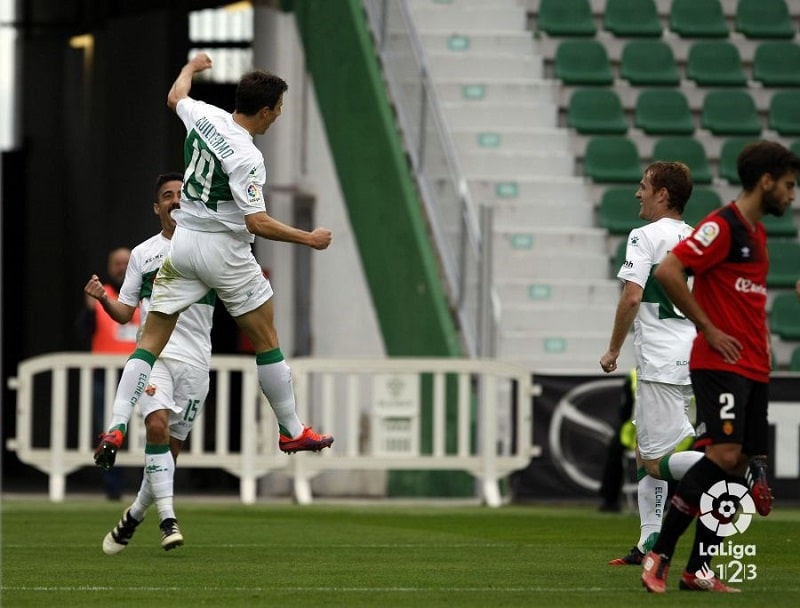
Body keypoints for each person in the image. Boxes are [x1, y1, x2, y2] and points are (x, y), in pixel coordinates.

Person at [93, 52, 333, 473]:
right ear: (264, 110)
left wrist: (189, 68)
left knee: (149, 342)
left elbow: (175, 96)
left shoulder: (203, 115)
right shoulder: (247, 156)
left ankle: (115, 425)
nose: (277, 116)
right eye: (277, 109)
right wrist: (307, 238)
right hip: (224, 250)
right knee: (266, 340)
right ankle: (291, 428)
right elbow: (256, 221)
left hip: (183, 245)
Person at [642, 140, 800, 593]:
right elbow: (670, 271)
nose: (791, 196)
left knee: (736, 466)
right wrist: (707, 327)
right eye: (788, 186)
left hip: (753, 366)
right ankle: (660, 553)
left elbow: (746, 303)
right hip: (720, 362)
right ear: (766, 181)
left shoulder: (758, 233)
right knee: (724, 456)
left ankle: (698, 571)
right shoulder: (722, 226)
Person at [86, 172, 214, 553]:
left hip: (195, 363)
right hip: (154, 357)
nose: (175, 200)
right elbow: (125, 313)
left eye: (181, 195)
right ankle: (168, 520)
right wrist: (103, 300)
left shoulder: (209, 248)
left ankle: (135, 514)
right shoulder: (144, 254)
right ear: (157, 207)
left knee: (167, 455)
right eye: (167, 196)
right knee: (155, 426)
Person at [600, 162, 704, 566]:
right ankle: (649, 540)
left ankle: (729, 467)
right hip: (691, 356)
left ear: (663, 194)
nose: (637, 193)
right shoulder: (697, 238)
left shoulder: (644, 236)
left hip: (660, 359)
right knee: (648, 447)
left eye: (643, 186)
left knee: (653, 462)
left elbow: (631, 298)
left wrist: (612, 349)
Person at [75, 247, 140, 500]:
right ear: (109, 266)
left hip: (140, 373)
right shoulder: (101, 296)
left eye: (127, 262)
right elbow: (81, 333)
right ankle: (113, 488)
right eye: (117, 263)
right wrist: (90, 309)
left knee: (150, 426)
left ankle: (152, 486)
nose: (122, 267)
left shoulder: (144, 295)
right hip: (105, 374)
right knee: (109, 431)